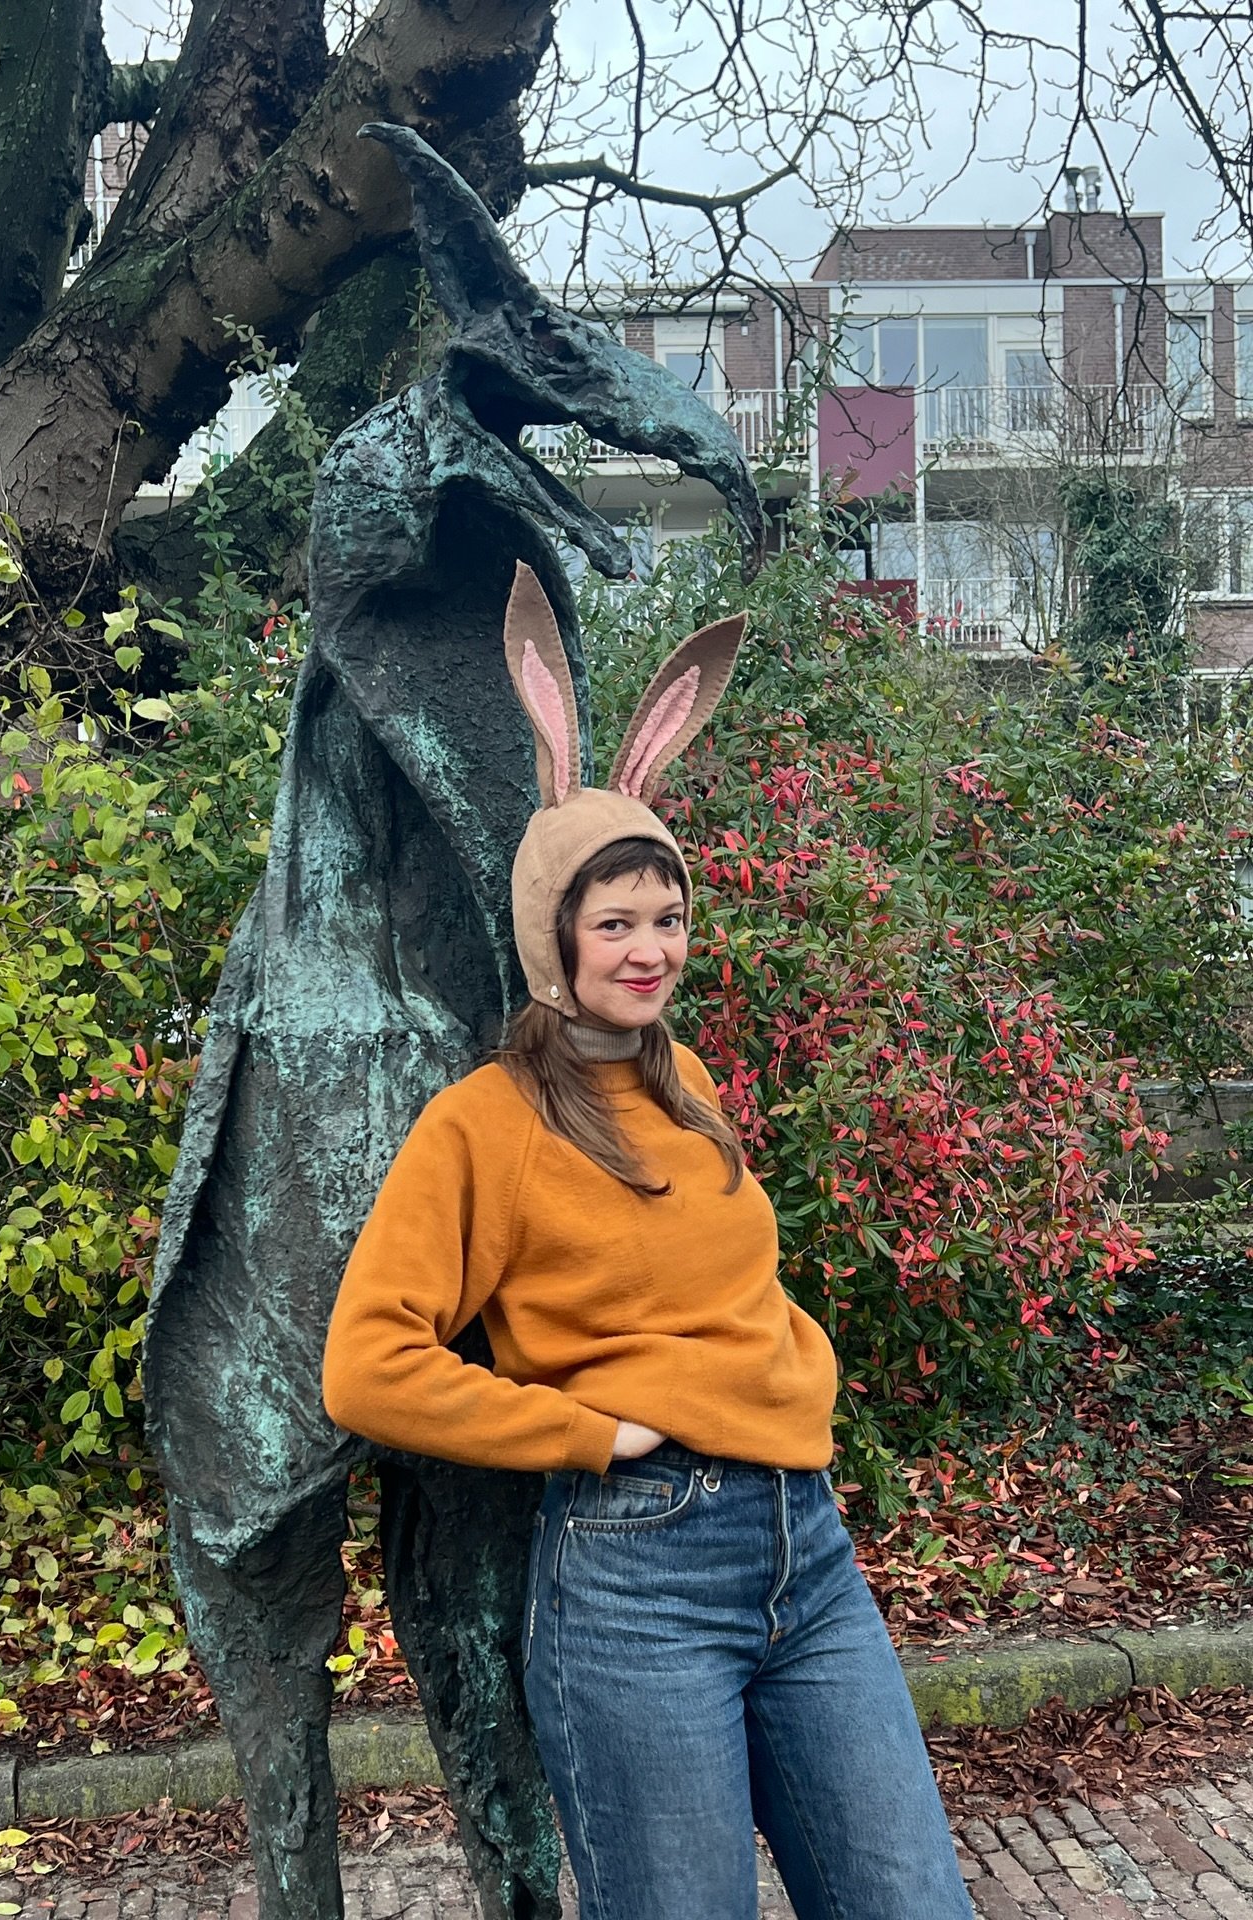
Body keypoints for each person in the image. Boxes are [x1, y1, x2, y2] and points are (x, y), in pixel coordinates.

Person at [323, 563, 973, 1920]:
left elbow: (732, 1288)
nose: (649, 948)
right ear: (552, 931)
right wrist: (588, 1433)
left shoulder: (688, 1085)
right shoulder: (483, 1126)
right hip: (638, 1575)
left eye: (666, 917)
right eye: (613, 921)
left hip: (808, 1548)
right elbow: (367, 1367)